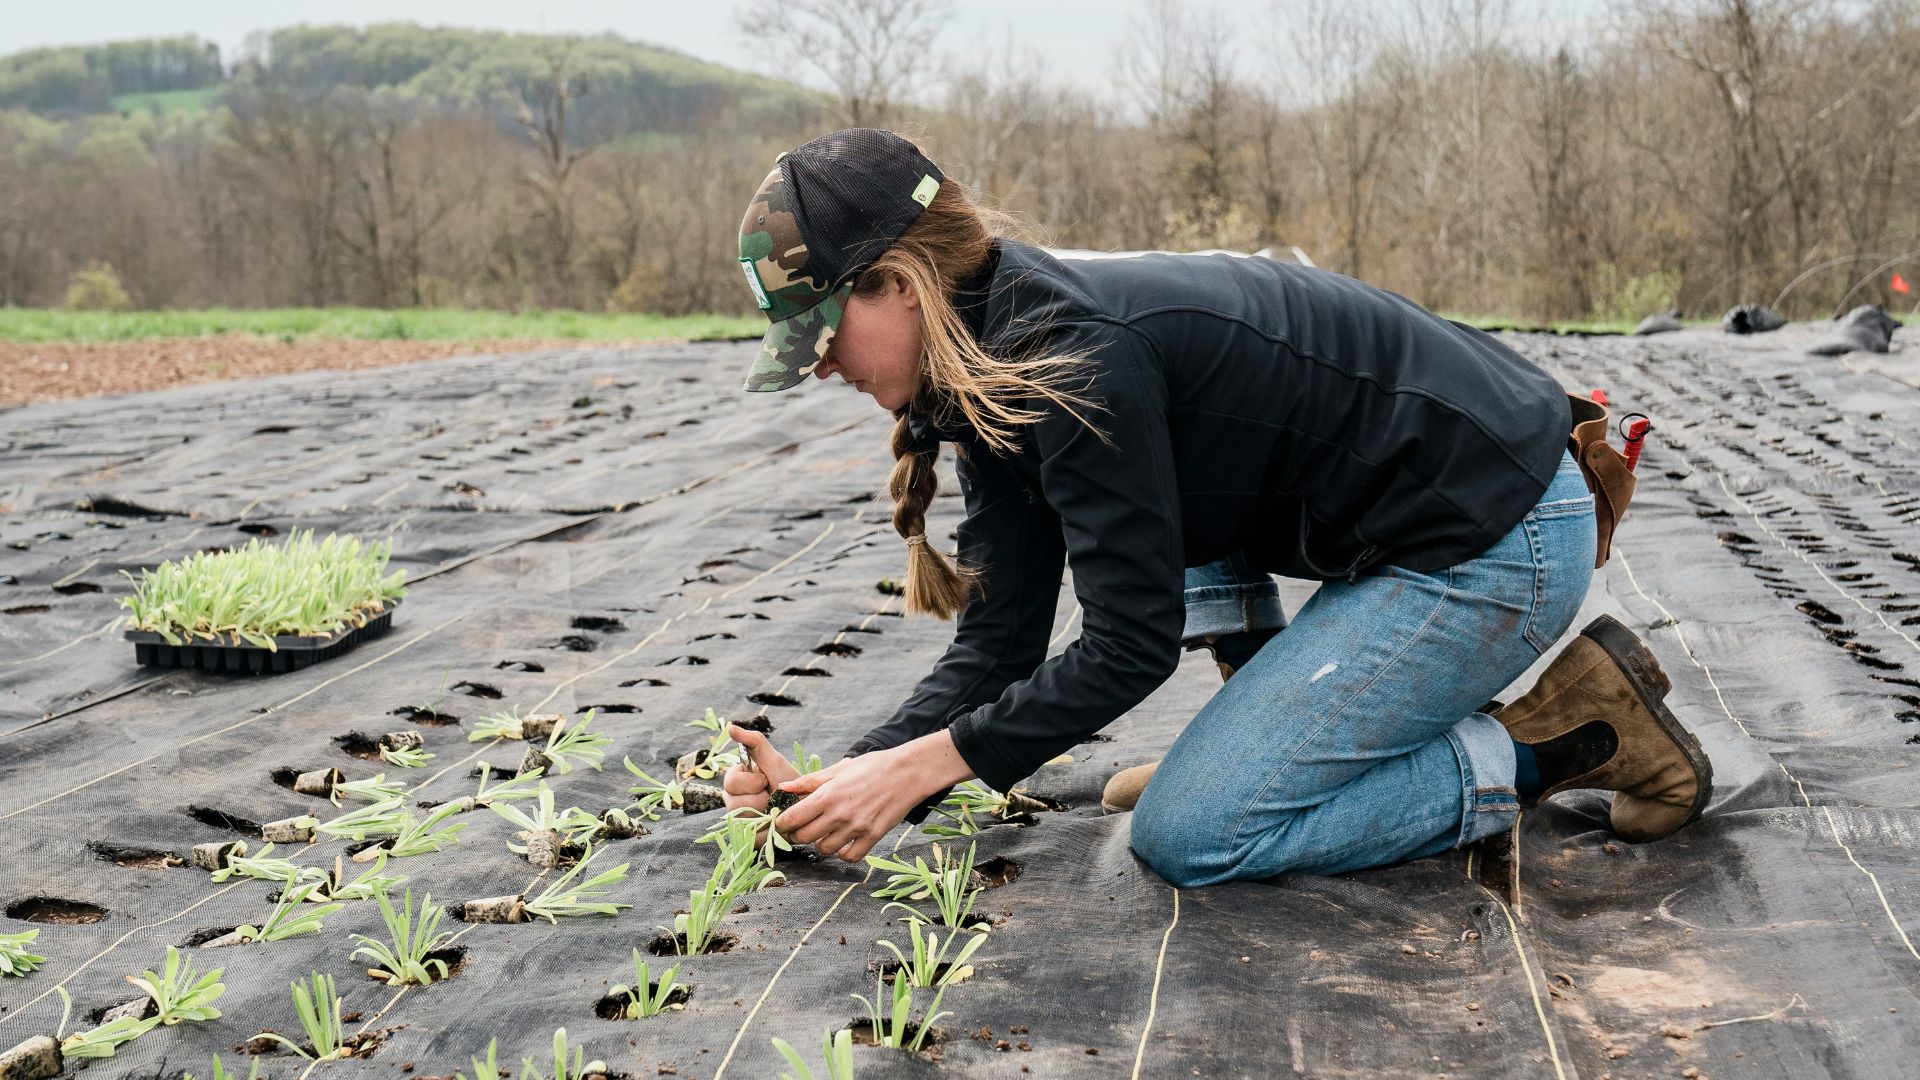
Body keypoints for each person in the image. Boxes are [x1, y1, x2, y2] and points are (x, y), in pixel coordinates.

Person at [718, 128, 1712, 886]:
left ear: (896, 282)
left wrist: (920, 769)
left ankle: (1567, 736)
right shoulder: (980, 362)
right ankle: (1259, 743)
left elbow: (1127, 644)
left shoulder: (1067, 358)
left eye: (823, 336)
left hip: (1496, 538)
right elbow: (1002, 643)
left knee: (1195, 834)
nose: (819, 370)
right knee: (1168, 554)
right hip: (1414, 518)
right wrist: (840, 781)